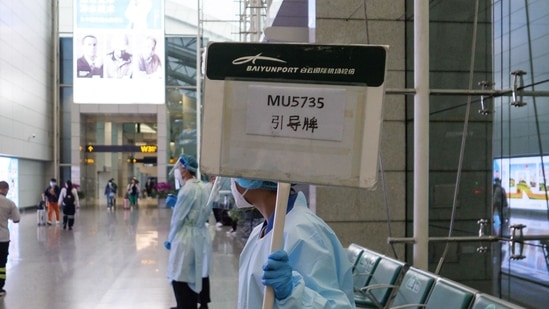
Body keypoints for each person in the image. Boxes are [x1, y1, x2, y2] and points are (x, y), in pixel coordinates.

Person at [231, 178, 355, 308]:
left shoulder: (304, 231)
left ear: (253, 177)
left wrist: (292, 294)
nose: (231, 181)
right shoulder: (260, 231)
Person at [164, 154, 212, 309]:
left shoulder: (186, 190)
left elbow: (178, 219)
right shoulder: (204, 187)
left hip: (185, 239)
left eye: (179, 167)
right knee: (198, 273)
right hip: (201, 235)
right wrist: (177, 204)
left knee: (180, 275)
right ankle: (200, 304)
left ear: (185, 169)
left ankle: (184, 306)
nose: (178, 170)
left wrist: (170, 240)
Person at [0, 181, 21, 297]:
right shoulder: (10, 203)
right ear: (6, 189)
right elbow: (16, 220)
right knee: (1, 265)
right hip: (2, 238)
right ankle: (0, 288)